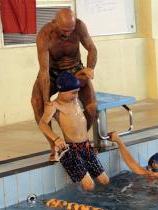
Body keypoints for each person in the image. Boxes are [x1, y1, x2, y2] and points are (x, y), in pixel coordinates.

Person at [31, 8, 97, 161]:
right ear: (54, 23)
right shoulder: (44, 35)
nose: (67, 34)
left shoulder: (79, 26)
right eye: (63, 31)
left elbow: (92, 48)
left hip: (76, 71)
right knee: (37, 103)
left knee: (92, 107)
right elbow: (44, 71)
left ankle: (80, 143)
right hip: (52, 73)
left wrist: (89, 69)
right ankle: (53, 145)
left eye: (70, 30)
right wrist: (47, 101)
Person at [38, 71, 109, 191]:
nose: (76, 96)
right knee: (89, 185)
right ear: (62, 91)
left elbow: (80, 80)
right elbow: (42, 124)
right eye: (73, 93)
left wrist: (83, 72)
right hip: (70, 149)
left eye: (77, 92)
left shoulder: (75, 100)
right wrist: (56, 139)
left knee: (105, 181)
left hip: (86, 147)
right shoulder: (54, 106)